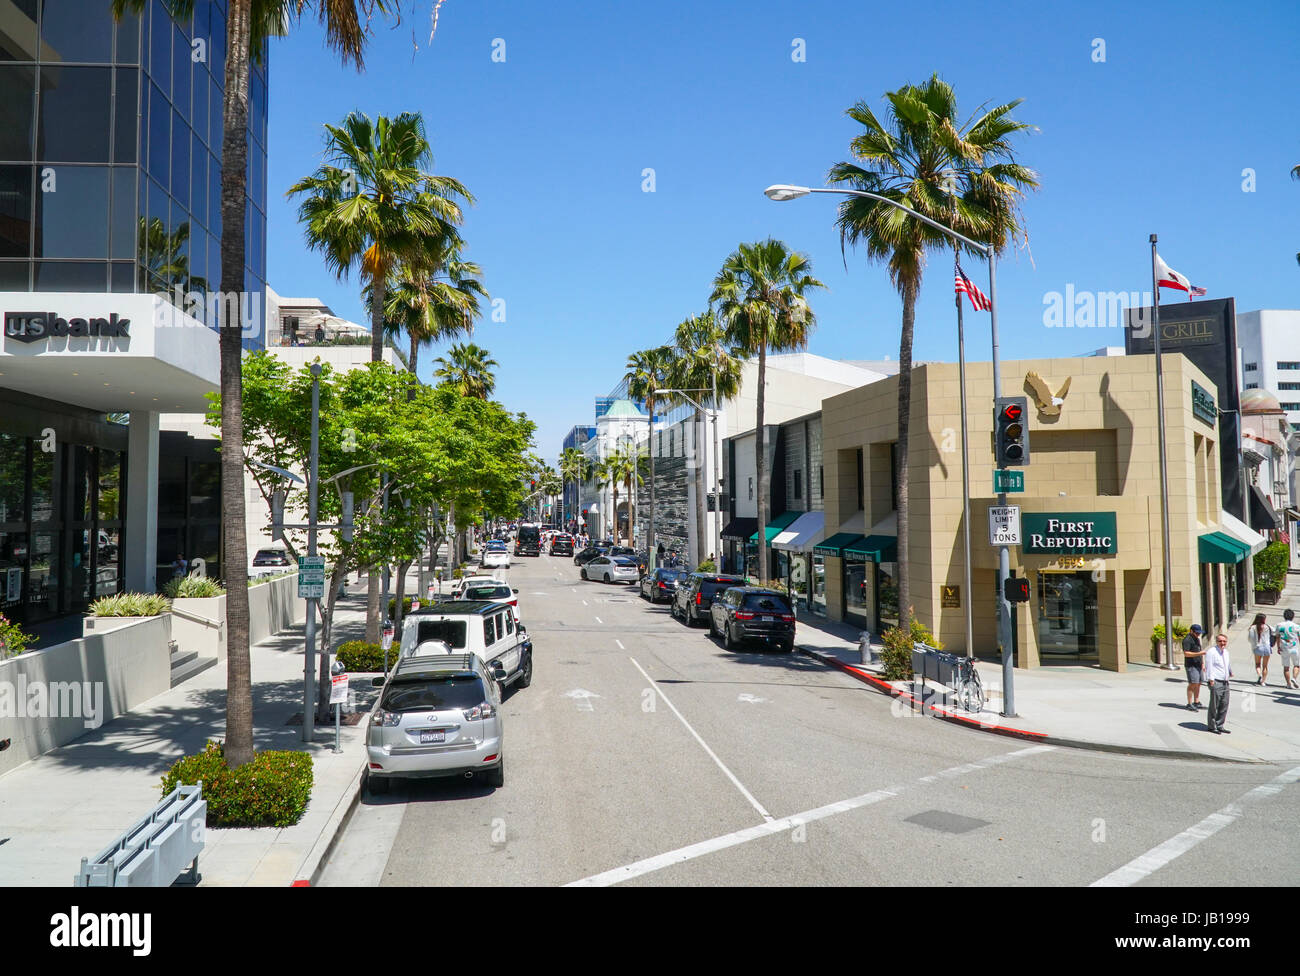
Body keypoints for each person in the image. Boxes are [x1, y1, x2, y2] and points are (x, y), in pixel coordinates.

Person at [1204, 631, 1234, 734]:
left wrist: (1230, 671)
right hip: (1216, 681)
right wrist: (1210, 680)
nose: (1222, 643)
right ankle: (1212, 726)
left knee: (1224, 704)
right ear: (1216, 642)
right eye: (1220, 641)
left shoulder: (1226, 652)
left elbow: (1227, 664)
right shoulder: (1211, 652)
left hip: (1225, 681)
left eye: (1224, 641)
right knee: (1214, 705)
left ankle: (1220, 724)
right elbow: (1209, 666)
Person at [1182, 624, 1206, 711]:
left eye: (1199, 633)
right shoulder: (1187, 640)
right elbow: (1186, 653)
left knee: (1199, 683)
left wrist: (1202, 663)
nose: (1198, 634)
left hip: (1198, 664)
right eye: (1197, 633)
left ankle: (1197, 701)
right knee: (1193, 684)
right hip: (1191, 665)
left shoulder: (1197, 639)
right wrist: (1200, 654)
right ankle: (1189, 703)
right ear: (1191, 631)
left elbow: (1199, 650)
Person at [1248, 612, 1275, 686]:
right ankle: (1263, 681)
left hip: (1258, 647)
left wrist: (1253, 646)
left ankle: (1259, 675)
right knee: (1265, 666)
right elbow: (1275, 632)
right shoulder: (1268, 627)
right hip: (1267, 647)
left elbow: (1250, 638)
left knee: (1257, 664)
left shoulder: (1253, 627)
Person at [1276, 608, 1300, 690]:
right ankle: (1294, 678)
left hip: (1284, 648)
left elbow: (1278, 637)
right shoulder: (1296, 626)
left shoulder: (1279, 625)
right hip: (1294, 648)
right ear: (1293, 617)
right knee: (1297, 665)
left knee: (1286, 667)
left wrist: (1278, 647)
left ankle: (1288, 684)